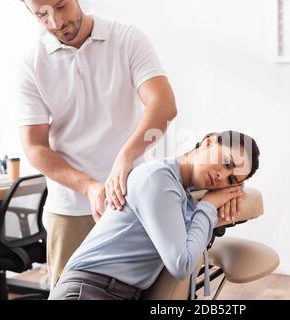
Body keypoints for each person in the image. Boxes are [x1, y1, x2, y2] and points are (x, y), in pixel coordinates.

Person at [17, 0, 177, 288]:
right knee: (69, 293)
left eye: (61, 5)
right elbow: (34, 147)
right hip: (69, 210)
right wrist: (89, 186)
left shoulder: (127, 38)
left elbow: (163, 105)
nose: (55, 22)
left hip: (131, 201)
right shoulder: (31, 61)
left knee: (134, 292)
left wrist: (125, 157)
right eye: (42, 15)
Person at [48, 131, 260, 300]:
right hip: (89, 291)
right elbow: (181, 264)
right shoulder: (159, 179)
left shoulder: (182, 192)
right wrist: (208, 207)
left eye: (231, 181)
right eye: (226, 163)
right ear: (208, 143)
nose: (221, 176)